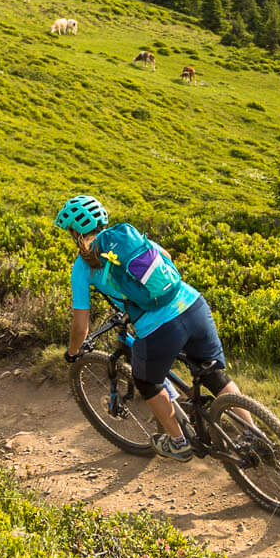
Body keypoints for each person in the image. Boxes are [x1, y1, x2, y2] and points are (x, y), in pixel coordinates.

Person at [56, 193, 237, 461]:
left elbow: (81, 323)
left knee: (146, 381)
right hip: (192, 303)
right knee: (214, 376)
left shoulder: (82, 266)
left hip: (158, 326)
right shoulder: (126, 235)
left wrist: (73, 353)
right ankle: (252, 433)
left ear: (75, 232)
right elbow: (165, 256)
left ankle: (178, 443)